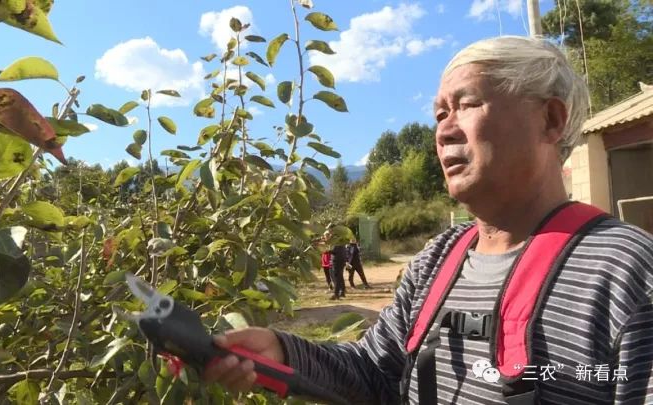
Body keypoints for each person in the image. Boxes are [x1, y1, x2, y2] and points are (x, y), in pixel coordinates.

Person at [202, 36, 653, 404]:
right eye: (440, 113)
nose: (444, 129)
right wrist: (282, 352)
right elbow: (374, 374)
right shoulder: (437, 259)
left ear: (551, 120)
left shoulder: (626, 272)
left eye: (467, 104)